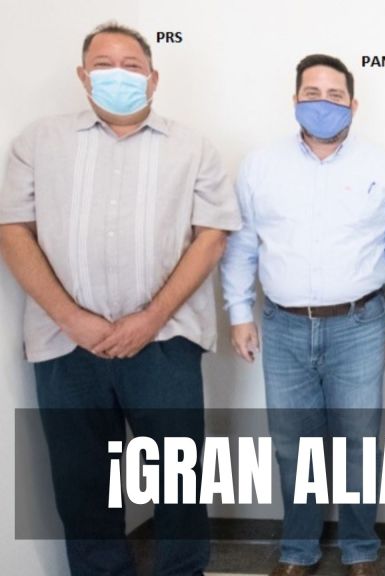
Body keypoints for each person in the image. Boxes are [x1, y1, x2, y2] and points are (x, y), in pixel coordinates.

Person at [0, 21, 240, 576]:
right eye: (104, 65)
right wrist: (72, 319)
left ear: (153, 78)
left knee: (178, 480)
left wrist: (150, 319)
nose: (118, 75)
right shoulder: (39, 142)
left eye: (131, 66)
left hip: (165, 342)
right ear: (83, 76)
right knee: (82, 483)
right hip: (64, 345)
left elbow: (211, 237)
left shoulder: (192, 147)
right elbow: (13, 231)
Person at [219, 54, 385, 576]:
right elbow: (243, 245)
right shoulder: (260, 165)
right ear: (294, 100)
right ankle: (298, 550)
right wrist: (239, 312)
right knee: (292, 444)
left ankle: (360, 550)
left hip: (360, 324)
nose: (322, 104)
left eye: (334, 95)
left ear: (353, 103)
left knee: (359, 442)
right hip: (282, 325)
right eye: (311, 93)